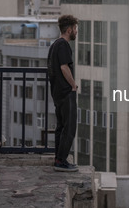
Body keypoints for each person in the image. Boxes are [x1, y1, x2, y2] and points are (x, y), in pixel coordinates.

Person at [47, 14, 79, 172]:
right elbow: (64, 67)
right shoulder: (63, 45)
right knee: (69, 127)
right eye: (75, 28)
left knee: (61, 127)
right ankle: (61, 160)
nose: (76, 32)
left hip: (57, 92)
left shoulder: (54, 45)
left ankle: (58, 158)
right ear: (69, 29)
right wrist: (73, 85)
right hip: (66, 92)